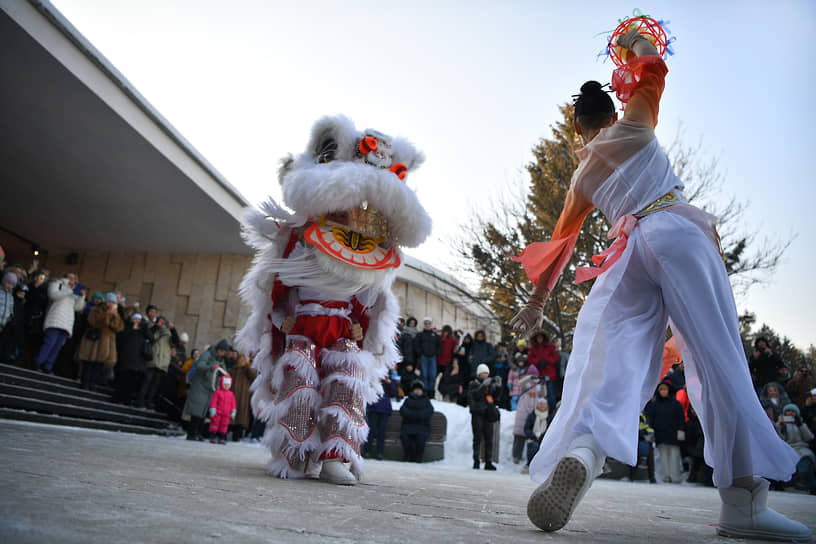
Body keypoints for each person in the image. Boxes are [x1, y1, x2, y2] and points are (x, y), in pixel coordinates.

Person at [509, 29, 809, 540]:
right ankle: (744, 502)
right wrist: (630, 43)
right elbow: (652, 64)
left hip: (628, 256)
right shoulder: (636, 125)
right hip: (674, 231)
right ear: (611, 113)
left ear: (580, 130)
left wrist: (537, 302)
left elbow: (561, 242)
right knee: (717, 359)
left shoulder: (583, 177)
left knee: (619, 362)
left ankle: (585, 449)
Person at [235, 116, 431, 485]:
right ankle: (293, 454)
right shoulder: (300, 237)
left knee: (347, 383)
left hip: (342, 326)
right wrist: (281, 321)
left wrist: (363, 325)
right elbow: (277, 286)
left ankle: (337, 457)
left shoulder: (374, 252)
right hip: (304, 323)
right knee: (300, 383)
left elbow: (371, 297)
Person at [35, 273, 85, 373]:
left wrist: (81, 297)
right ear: (65, 277)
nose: (72, 279)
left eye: (74, 278)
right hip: (55, 318)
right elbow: (53, 295)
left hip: (67, 322)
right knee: (50, 342)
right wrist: (69, 290)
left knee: (58, 346)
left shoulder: (75, 291)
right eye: (70, 277)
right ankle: (38, 362)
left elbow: (77, 307)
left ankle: (48, 366)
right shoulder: (58, 284)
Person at [183, 340, 229, 441]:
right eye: (223, 351)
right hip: (200, 386)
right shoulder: (207, 354)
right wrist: (210, 367)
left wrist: (223, 371)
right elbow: (199, 365)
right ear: (218, 349)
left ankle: (198, 433)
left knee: (204, 413)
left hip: (210, 389)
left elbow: (224, 371)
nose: (223, 353)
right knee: (196, 411)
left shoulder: (220, 359)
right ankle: (191, 434)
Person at [77, 293, 124, 391]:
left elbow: (119, 327)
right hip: (94, 340)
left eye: (113, 302)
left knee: (99, 364)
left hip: (106, 342)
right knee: (89, 362)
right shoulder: (96, 309)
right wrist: (107, 314)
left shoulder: (115, 313)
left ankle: (92, 383)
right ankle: (85, 382)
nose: (111, 304)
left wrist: (115, 316)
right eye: (110, 301)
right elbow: (94, 322)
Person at [644, 379, 686, 483]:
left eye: (665, 389)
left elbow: (681, 418)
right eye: (661, 389)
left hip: (673, 434)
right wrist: (650, 431)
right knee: (662, 457)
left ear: (669, 390)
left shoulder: (676, 404)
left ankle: (675, 476)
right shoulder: (655, 405)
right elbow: (650, 419)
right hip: (660, 434)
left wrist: (681, 430)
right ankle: (666, 476)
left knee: (674, 456)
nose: (663, 391)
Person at [775, 404, 816, 495]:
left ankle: (803, 481)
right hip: (788, 447)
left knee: (806, 459)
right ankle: (789, 483)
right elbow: (780, 439)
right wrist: (780, 426)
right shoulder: (781, 424)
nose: (790, 413)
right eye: (788, 411)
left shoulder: (800, 423)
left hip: (802, 447)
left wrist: (801, 425)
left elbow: (809, 437)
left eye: (793, 411)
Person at [468, 364, 501, 470]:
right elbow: (475, 395)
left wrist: (498, 387)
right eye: (483, 373)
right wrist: (483, 387)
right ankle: (476, 461)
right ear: (479, 374)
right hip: (477, 413)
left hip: (488, 413)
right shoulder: (473, 384)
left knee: (489, 439)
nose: (485, 375)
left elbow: (496, 397)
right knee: (477, 438)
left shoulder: (489, 385)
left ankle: (488, 461)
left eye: (487, 373)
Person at [112, 313, 150, 405]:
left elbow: (151, 337)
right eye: (135, 319)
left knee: (131, 382)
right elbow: (121, 338)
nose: (136, 321)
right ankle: (118, 397)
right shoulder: (127, 328)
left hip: (136, 362)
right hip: (125, 359)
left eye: (138, 319)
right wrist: (133, 328)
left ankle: (127, 399)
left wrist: (144, 326)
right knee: (122, 379)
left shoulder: (143, 331)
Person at [399, 380, 433, 462]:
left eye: (419, 389)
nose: (418, 391)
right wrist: (411, 415)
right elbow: (402, 410)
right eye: (416, 389)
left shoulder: (426, 400)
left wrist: (419, 415)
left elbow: (429, 411)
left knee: (420, 439)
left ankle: (418, 457)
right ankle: (408, 456)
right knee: (405, 438)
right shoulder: (408, 400)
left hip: (422, 426)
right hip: (408, 425)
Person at [365, 375, 396, 460]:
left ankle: (380, 453)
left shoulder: (387, 384)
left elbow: (394, 393)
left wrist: (390, 384)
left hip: (384, 410)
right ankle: (367, 451)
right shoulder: (372, 382)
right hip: (373, 409)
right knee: (371, 431)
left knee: (382, 432)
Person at [228, 353, 256, 440]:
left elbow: (253, 375)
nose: (241, 361)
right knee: (231, 414)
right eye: (240, 359)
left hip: (243, 397)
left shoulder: (247, 370)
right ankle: (226, 433)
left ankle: (237, 436)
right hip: (233, 396)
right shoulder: (232, 370)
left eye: (244, 360)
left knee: (241, 415)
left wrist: (248, 364)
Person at [414, 317, 441, 395]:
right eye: (426, 323)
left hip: (433, 357)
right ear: (424, 325)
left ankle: (431, 391)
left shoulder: (435, 335)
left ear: (431, 325)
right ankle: (425, 391)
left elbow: (439, 346)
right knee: (424, 375)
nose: (427, 325)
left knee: (432, 375)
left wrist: (436, 353)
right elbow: (416, 344)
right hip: (424, 357)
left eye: (429, 323)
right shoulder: (420, 334)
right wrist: (420, 353)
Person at [208, 373, 237, 445]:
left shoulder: (231, 394)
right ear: (221, 384)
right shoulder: (217, 392)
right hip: (217, 412)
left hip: (226, 414)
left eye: (228, 385)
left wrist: (233, 411)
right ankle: (213, 436)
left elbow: (233, 404)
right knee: (215, 424)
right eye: (225, 384)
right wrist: (213, 409)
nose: (226, 386)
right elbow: (213, 401)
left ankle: (222, 438)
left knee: (224, 426)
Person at [523, 398, 550, 475]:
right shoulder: (532, 415)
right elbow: (526, 428)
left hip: (544, 439)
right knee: (534, 446)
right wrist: (534, 435)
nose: (542, 405)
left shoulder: (549, 416)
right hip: (532, 438)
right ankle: (529, 465)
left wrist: (542, 436)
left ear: (546, 406)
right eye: (540, 404)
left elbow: (550, 429)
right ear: (537, 405)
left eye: (544, 404)